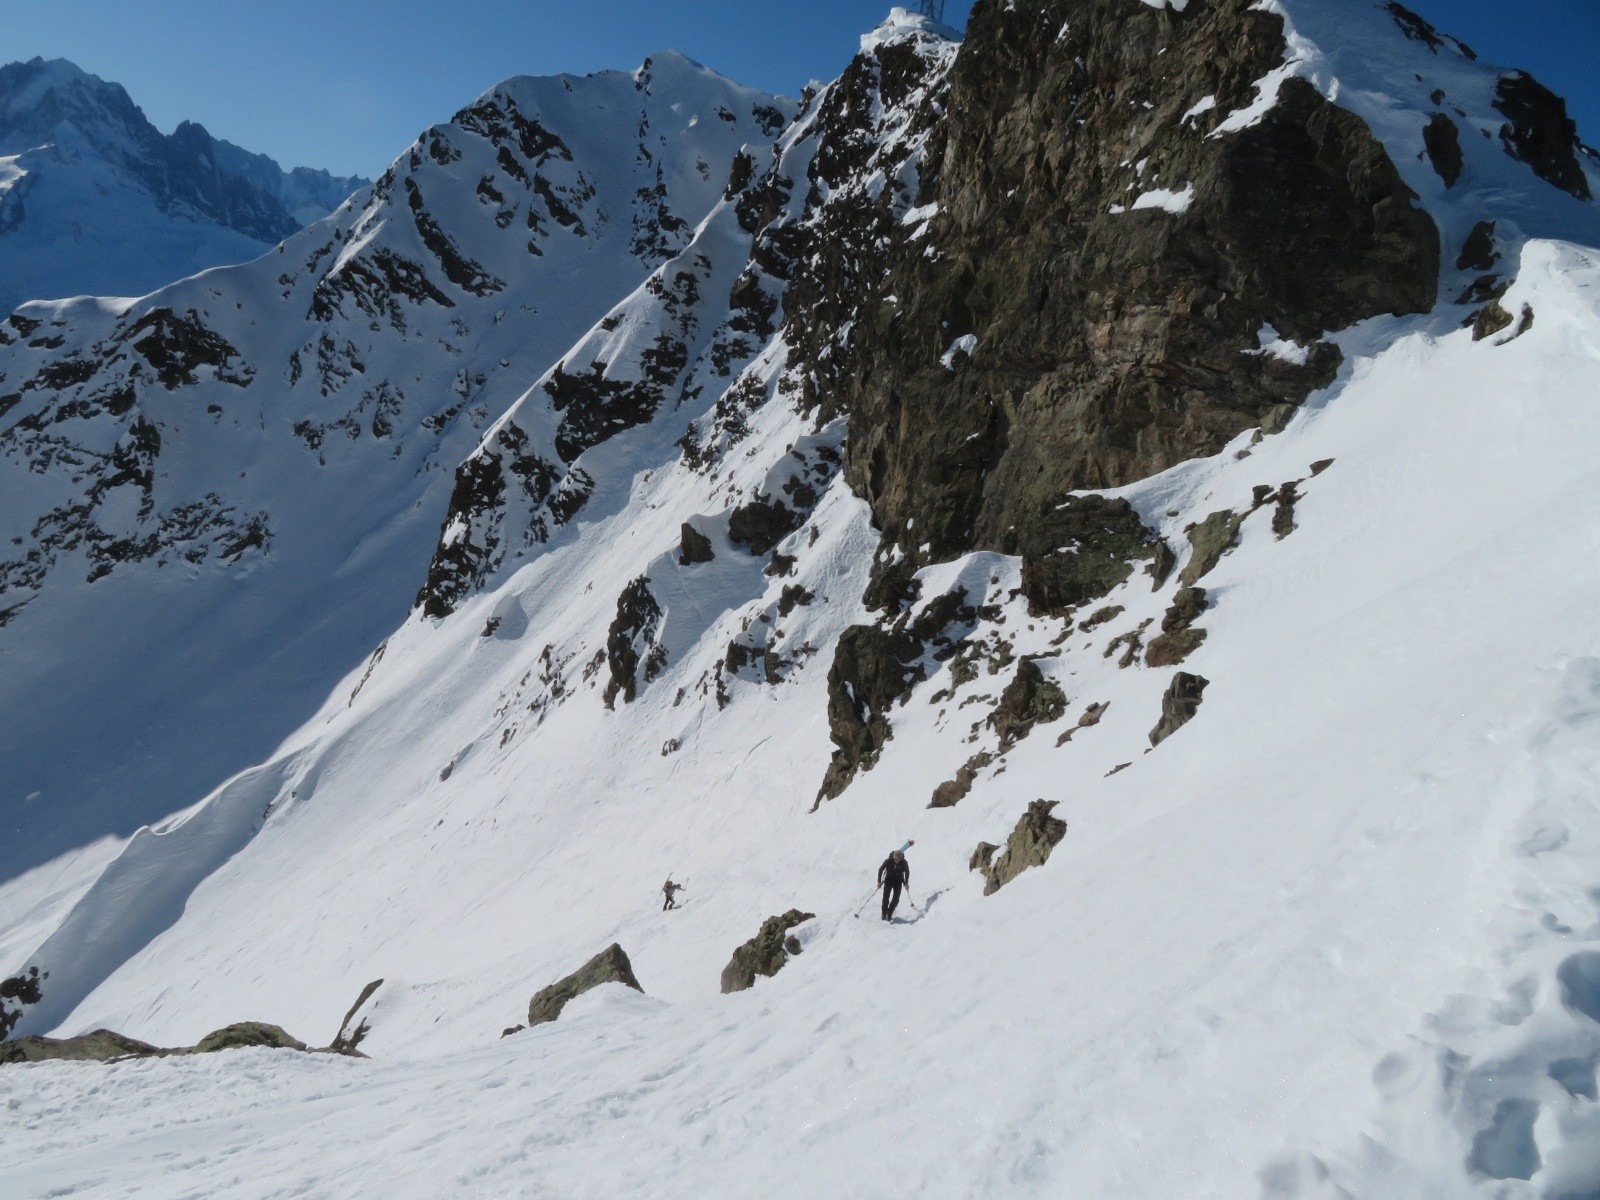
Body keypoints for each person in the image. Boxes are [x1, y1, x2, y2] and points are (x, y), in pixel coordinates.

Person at [877, 849, 910, 921]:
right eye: (896, 859)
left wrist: (906, 882)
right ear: (893, 858)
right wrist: (879, 881)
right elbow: (880, 869)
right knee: (886, 897)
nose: (897, 861)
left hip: (898, 881)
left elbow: (907, 872)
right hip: (888, 880)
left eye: (899, 860)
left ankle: (889, 913)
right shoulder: (888, 861)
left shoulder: (904, 863)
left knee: (896, 899)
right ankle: (884, 913)